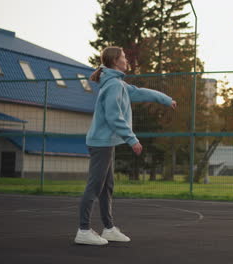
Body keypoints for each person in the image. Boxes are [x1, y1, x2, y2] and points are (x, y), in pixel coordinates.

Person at [74, 46, 177, 245]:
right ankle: (83, 230)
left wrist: (165, 99)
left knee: (106, 187)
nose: (126, 60)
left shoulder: (117, 84)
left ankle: (109, 228)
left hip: (106, 143)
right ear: (115, 62)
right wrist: (132, 139)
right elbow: (114, 116)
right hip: (101, 144)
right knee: (95, 187)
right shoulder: (113, 85)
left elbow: (139, 92)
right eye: (123, 57)